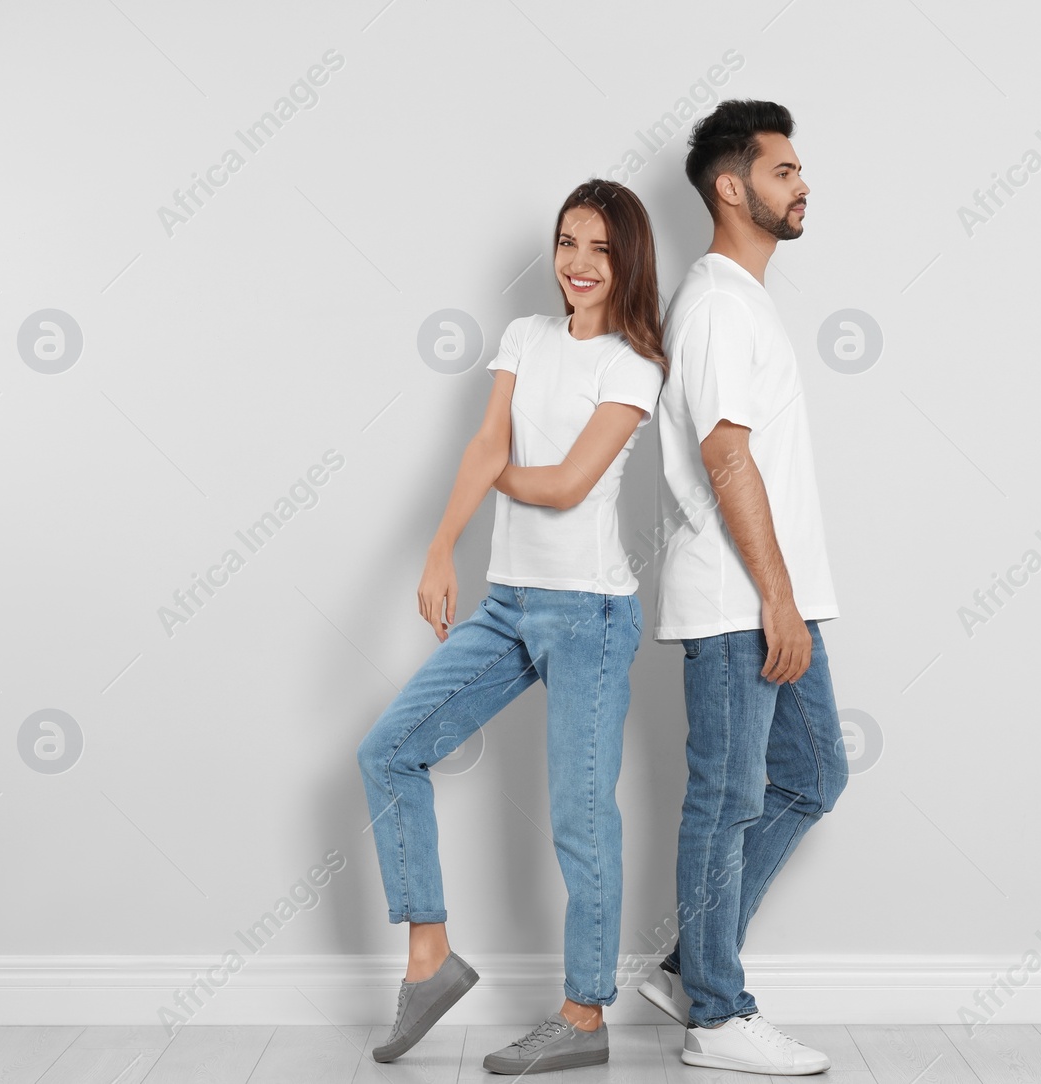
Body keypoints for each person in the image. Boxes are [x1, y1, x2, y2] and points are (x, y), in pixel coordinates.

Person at [356, 178, 665, 1075]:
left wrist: (494, 473)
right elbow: (486, 442)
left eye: (601, 249)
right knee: (389, 750)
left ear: (628, 259)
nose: (578, 263)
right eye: (568, 243)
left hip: (592, 614)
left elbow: (567, 486)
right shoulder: (526, 338)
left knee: (579, 816)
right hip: (506, 602)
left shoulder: (633, 363)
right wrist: (440, 547)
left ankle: (582, 1018)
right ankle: (429, 957)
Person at [637, 99, 848, 1075]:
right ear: (732, 187)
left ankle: (690, 964)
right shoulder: (717, 301)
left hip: (773, 593)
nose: (801, 185)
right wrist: (773, 596)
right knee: (724, 797)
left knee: (810, 774)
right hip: (736, 598)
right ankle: (716, 1017)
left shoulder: (745, 299)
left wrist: (791, 595)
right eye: (783, 171)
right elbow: (726, 457)